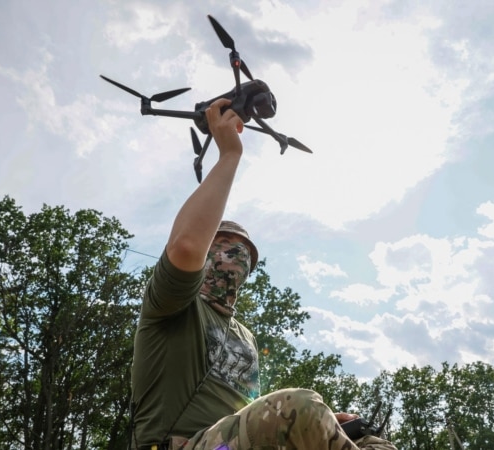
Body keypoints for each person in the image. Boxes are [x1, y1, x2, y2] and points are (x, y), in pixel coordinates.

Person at [130, 98, 397, 450]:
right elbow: (185, 246)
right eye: (220, 242)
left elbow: (250, 419)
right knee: (297, 406)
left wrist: (328, 423)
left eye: (243, 251)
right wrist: (229, 155)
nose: (232, 255)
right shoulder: (172, 303)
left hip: (228, 443)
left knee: (373, 443)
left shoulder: (246, 338)